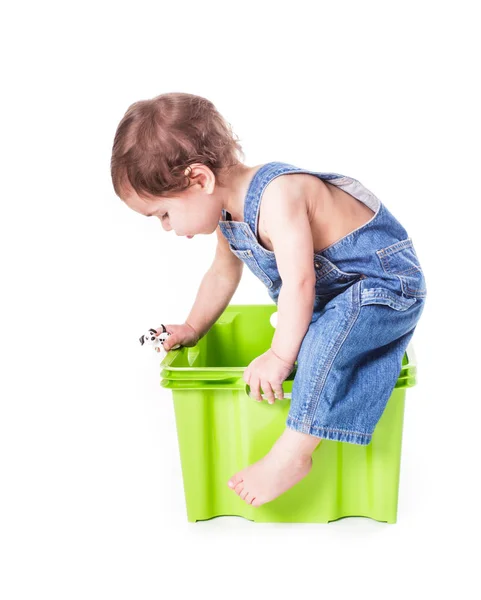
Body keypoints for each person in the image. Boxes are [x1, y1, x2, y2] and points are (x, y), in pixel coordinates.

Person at [111, 92, 427, 508]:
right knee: (313, 333)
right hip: (338, 298)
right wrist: (191, 328)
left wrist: (280, 358)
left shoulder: (279, 196)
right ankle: (307, 402)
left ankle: (293, 454)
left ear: (199, 179)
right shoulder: (229, 217)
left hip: (383, 287)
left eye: (165, 214)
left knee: (321, 337)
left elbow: (300, 283)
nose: (166, 228)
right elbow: (222, 275)